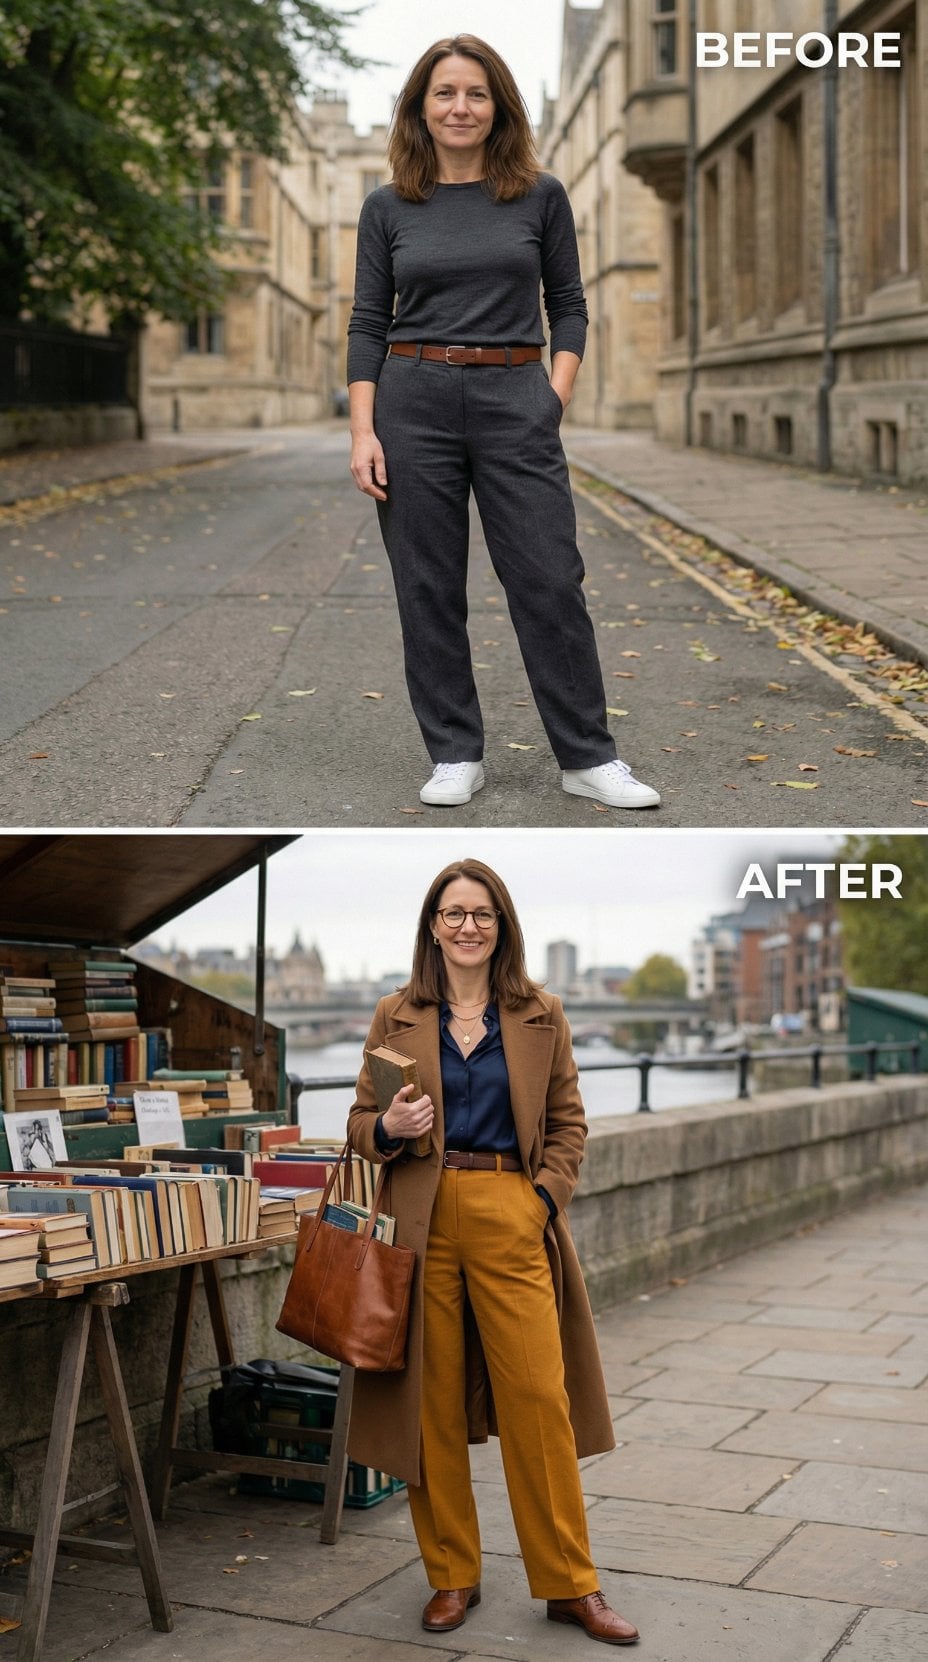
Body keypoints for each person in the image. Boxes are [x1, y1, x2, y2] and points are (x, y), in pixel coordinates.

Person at [347, 34, 660, 812]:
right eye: (445, 93)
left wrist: (551, 396)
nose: (460, 107)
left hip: (515, 393)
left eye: (476, 93)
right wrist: (363, 429)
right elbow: (365, 322)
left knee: (550, 577)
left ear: (499, 108)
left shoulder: (540, 195)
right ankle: (455, 753)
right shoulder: (388, 207)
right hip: (410, 397)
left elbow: (572, 307)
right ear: (421, 108)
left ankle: (587, 757)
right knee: (427, 585)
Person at [346, 858, 640, 1646]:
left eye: (481, 913)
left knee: (539, 1399)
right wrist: (388, 1132)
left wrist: (540, 1198)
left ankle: (571, 1584)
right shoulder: (394, 1013)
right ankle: (452, 1575)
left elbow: (570, 1123)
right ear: (433, 926)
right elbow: (359, 1124)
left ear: (500, 925)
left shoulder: (541, 1012)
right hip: (422, 1214)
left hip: (512, 1210)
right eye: (453, 913)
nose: (467, 925)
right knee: (429, 1403)